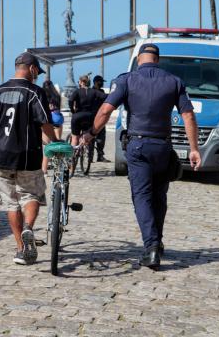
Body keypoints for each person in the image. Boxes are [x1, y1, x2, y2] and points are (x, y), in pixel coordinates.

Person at [83, 44, 201, 270]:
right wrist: (194, 148)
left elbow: (106, 110)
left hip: (138, 145)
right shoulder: (174, 81)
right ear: (158, 60)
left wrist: (91, 134)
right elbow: (188, 115)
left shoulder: (126, 80)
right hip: (163, 147)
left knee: (142, 197)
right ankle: (157, 241)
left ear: (139, 59)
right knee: (159, 196)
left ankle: (152, 247)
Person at [0, 52, 57, 266]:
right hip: (28, 155)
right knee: (31, 195)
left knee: (11, 204)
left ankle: (21, 249)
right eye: (37, 72)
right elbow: (44, 123)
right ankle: (28, 227)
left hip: (1, 156)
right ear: (32, 69)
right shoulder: (34, 92)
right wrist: (54, 142)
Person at [69, 75, 106, 147]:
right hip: (90, 116)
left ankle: (73, 156)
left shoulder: (77, 91)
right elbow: (105, 96)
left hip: (78, 116)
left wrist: (73, 111)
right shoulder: (94, 91)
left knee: (75, 137)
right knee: (88, 134)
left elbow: (70, 101)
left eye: (79, 82)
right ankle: (87, 148)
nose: (79, 83)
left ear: (82, 82)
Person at [41, 80, 64, 177]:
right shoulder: (57, 95)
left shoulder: (42, 96)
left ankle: (44, 170)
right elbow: (59, 107)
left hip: (47, 120)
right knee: (57, 143)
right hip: (57, 119)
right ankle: (58, 168)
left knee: (47, 147)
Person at [92, 75, 110, 163]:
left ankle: (100, 155)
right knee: (91, 136)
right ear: (96, 82)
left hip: (100, 116)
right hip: (91, 117)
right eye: (101, 82)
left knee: (101, 137)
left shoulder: (102, 91)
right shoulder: (91, 91)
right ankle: (90, 156)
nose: (102, 83)